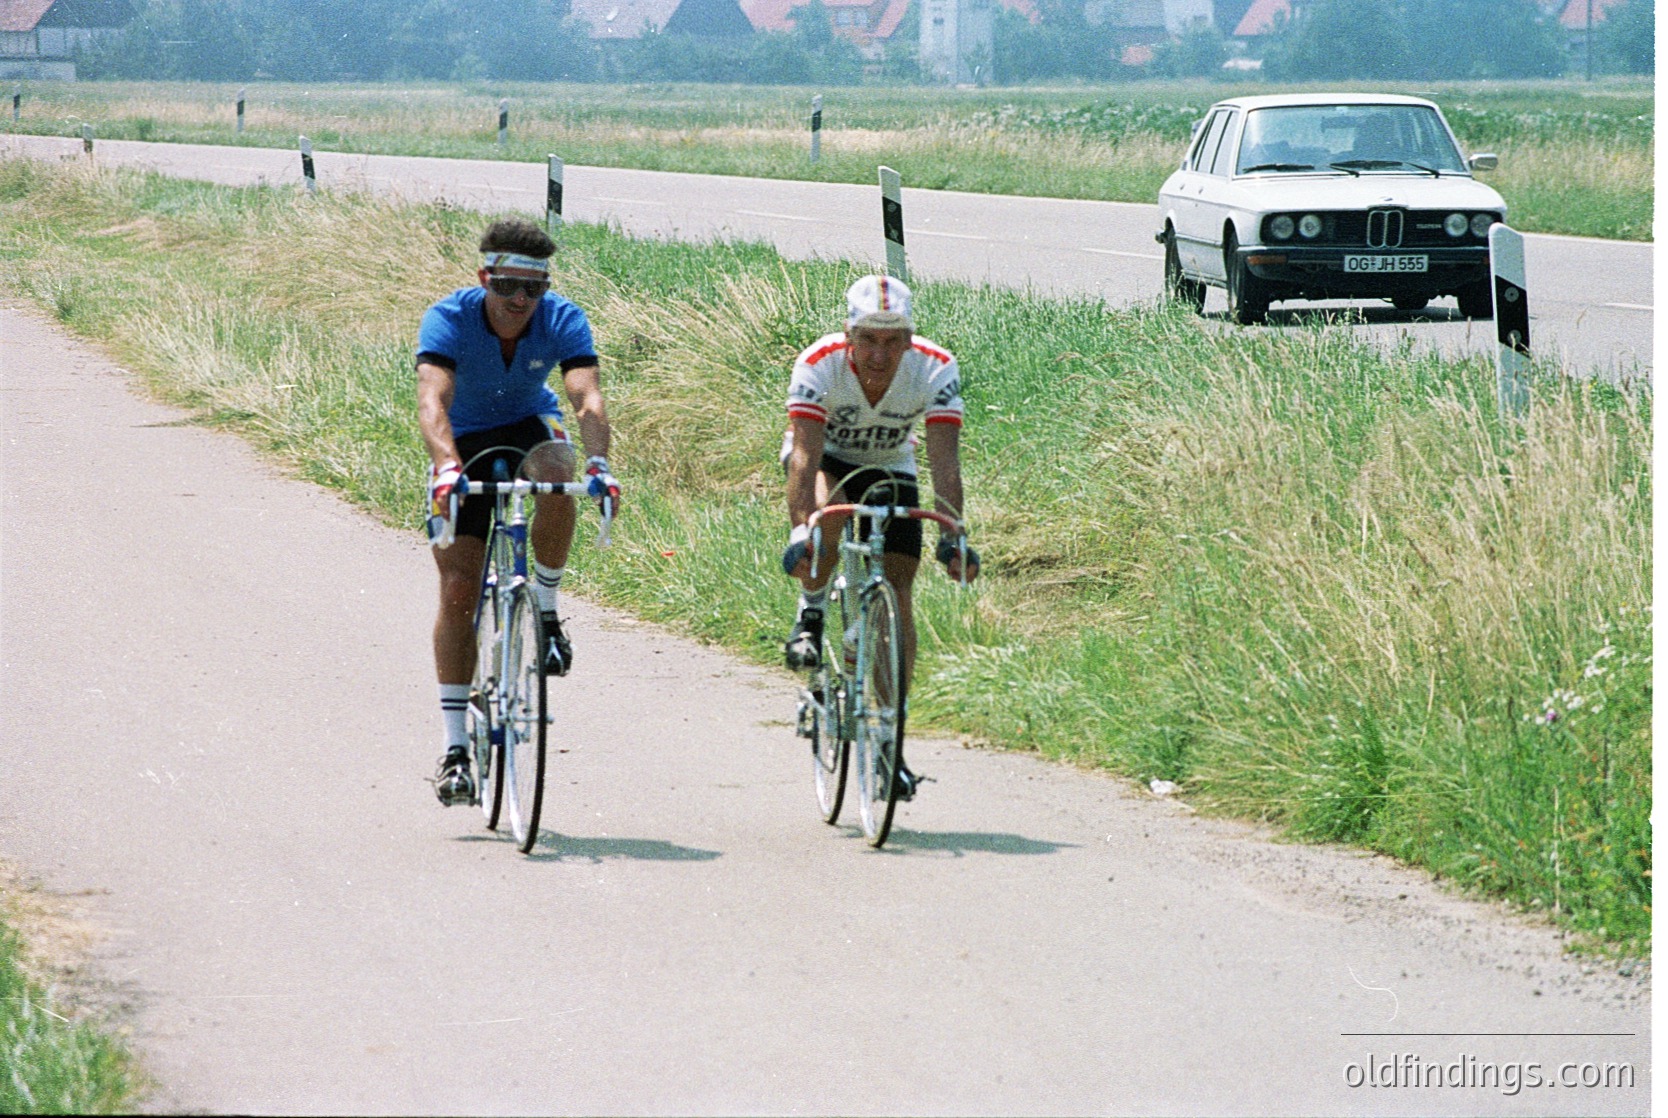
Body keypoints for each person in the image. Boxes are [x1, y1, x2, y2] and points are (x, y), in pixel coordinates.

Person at [416, 217, 620, 806]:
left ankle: (548, 612)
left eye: (533, 289)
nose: (519, 301)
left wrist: (600, 463)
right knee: (458, 590)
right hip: (465, 437)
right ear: (484, 277)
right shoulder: (449, 318)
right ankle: (456, 748)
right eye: (506, 287)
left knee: (559, 476)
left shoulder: (561, 317)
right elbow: (433, 399)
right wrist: (448, 467)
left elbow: (585, 395)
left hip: (532, 423)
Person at [779, 275, 979, 801]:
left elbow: (945, 463)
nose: (879, 354)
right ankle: (812, 610)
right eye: (868, 340)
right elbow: (803, 459)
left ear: (910, 341)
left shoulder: (935, 368)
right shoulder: (818, 363)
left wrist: (954, 533)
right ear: (848, 335)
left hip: (892, 465)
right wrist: (802, 531)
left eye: (893, 342)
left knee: (899, 588)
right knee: (826, 511)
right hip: (827, 458)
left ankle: (891, 741)